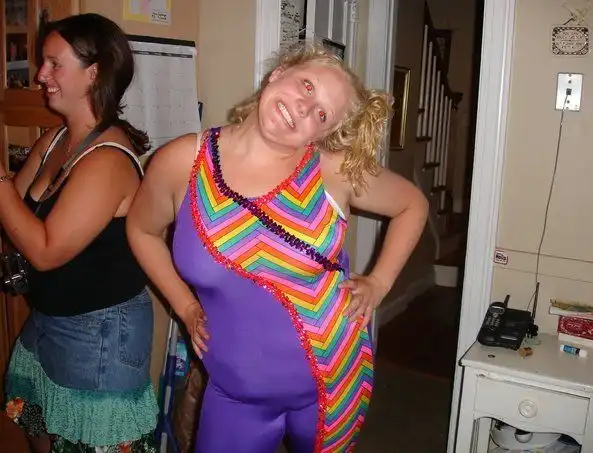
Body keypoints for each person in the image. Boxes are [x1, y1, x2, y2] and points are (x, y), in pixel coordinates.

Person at [126, 44, 428, 452]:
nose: (304, 108)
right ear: (279, 72)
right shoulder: (181, 161)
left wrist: (379, 282)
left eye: (321, 114)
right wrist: (184, 306)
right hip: (234, 393)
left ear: (322, 135)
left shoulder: (332, 170)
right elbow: (142, 231)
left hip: (335, 380)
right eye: (307, 86)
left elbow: (412, 204)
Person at [0, 13, 158, 453]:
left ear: (94, 73)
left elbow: (46, 251)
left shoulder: (107, 160)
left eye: (54, 64)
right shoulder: (54, 140)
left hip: (99, 334)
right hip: (47, 320)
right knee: (35, 419)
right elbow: (13, 216)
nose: (40, 75)